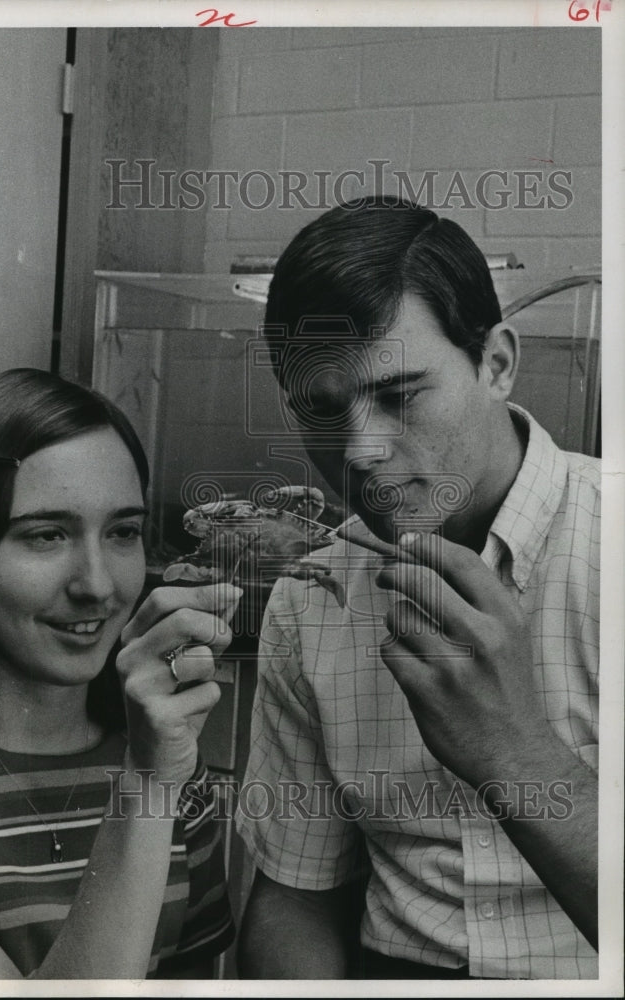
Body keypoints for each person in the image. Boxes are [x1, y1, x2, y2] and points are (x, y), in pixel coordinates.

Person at [235, 197, 599, 980]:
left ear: (496, 364)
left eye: (400, 396)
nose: (360, 450)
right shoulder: (311, 598)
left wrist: (511, 750)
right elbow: (297, 898)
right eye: (322, 410)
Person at [0, 368, 239, 980]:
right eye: (47, 535)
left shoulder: (172, 773)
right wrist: (146, 783)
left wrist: (157, 774)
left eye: (123, 532)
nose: (98, 585)